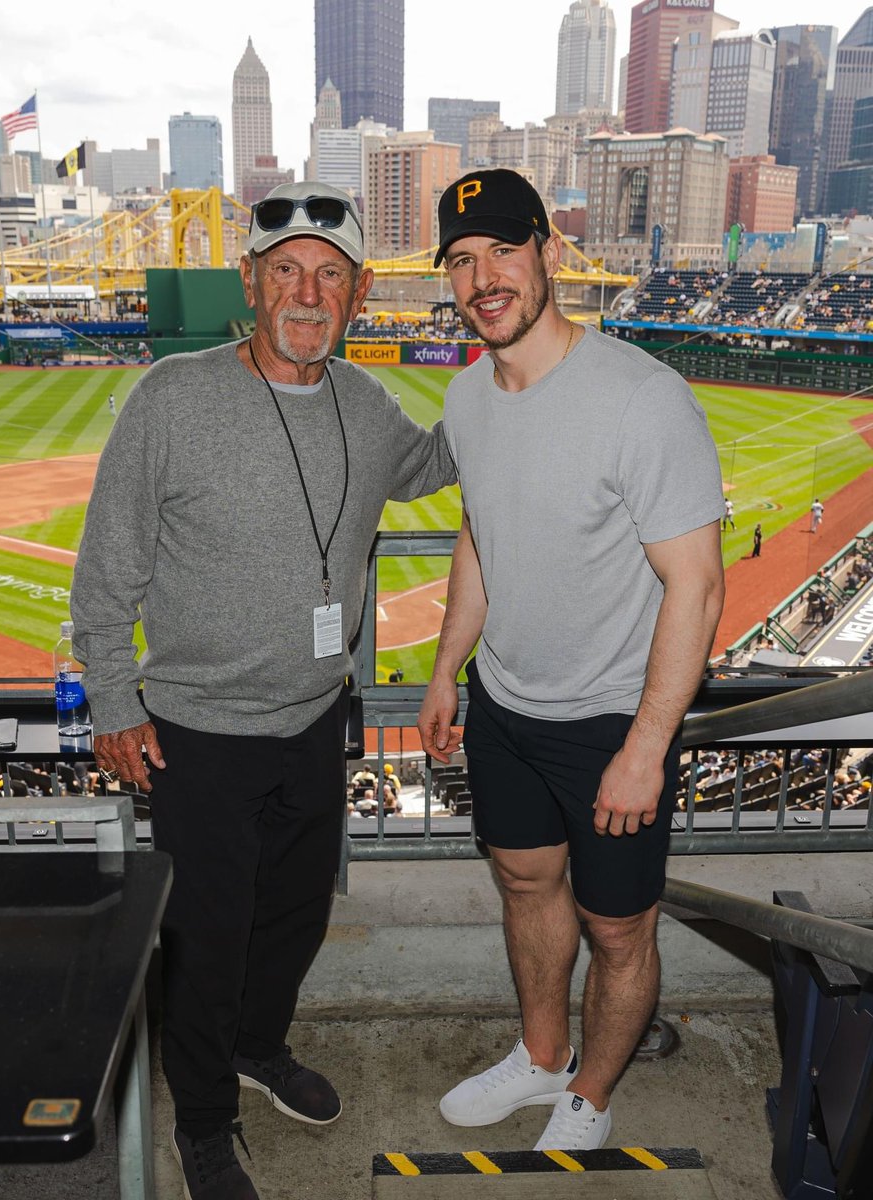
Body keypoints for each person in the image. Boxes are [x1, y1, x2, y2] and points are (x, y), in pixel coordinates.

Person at [70, 180, 455, 1200]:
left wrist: (523, 382)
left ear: (360, 296)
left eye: (330, 276)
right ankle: (203, 1121)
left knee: (292, 919)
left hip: (313, 723)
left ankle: (257, 1045)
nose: (307, 292)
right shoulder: (174, 396)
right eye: (287, 269)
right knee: (205, 941)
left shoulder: (367, 409)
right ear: (250, 281)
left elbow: (436, 461)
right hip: (196, 735)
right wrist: (114, 696)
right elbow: (108, 563)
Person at [417, 169, 724, 1153]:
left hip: (610, 723)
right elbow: (480, 537)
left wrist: (646, 747)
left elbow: (698, 587)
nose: (484, 277)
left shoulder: (643, 399)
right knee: (522, 882)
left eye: (505, 251)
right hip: (504, 707)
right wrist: (444, 668)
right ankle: (542, 1055)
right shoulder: (467, 397)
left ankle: (592, 1089)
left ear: (550, 253)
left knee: (620, 929)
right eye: (463, 260)